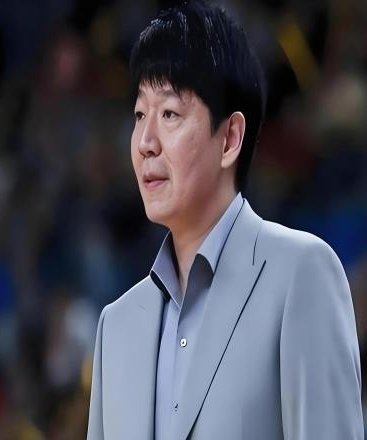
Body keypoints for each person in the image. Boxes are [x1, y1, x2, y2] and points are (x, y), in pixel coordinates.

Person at [86, 1, 364, 439]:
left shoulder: (301, 274)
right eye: (139, 115)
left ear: (231, 138)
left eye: (169, 114)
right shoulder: (115, 327)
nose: (144, 142)